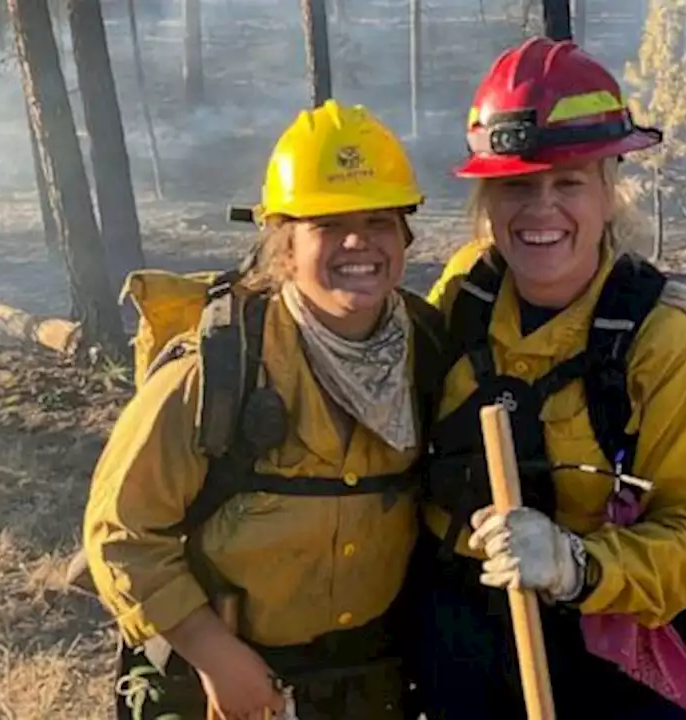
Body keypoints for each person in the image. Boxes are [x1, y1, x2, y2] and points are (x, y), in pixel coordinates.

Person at [410, 36, 686, 719]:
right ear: (486, 197)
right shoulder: (463, 297)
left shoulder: (670, 342)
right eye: (516, 185)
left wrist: (574, 564)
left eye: (567, 182)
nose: (540, 210)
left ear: (608, 190)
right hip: (452, 637)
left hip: (596, 648)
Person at [80, 99, 447, 720]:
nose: (359, 241)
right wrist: (216, 656)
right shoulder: (218, 370)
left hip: (371, 683)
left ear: (405, 238)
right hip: (223, 681)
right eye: (327, 224)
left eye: (380, 221)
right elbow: (120, 535)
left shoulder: (431, 352)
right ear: (285, 248)